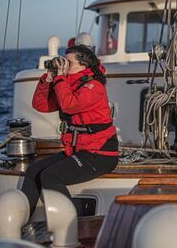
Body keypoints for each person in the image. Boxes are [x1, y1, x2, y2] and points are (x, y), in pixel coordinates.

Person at [22, 44, 119, 217]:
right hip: (79, 150)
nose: (64, 65)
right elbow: (41, 105)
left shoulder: (93, 86)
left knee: (51, 176)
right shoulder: (67, 86)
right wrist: (49, 78)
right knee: (33, 171)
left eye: (68, 62)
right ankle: (21, 221)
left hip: (100, 153)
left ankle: (72, 225)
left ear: (84, 65)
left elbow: (69, 106)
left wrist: (59, 78)